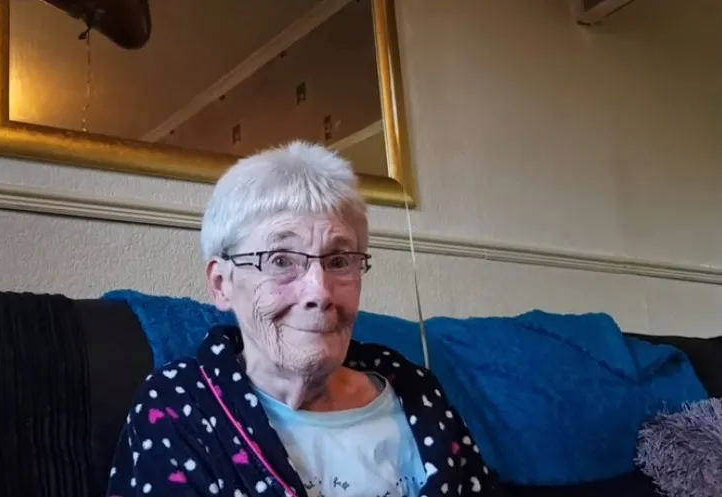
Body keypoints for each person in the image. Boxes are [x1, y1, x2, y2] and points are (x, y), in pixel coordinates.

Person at [106, 141, 499, 496]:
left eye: (339, 260)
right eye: (280, 260)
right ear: (222, 284)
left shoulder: (416, 391)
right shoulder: (177, 406)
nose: (320, 293)